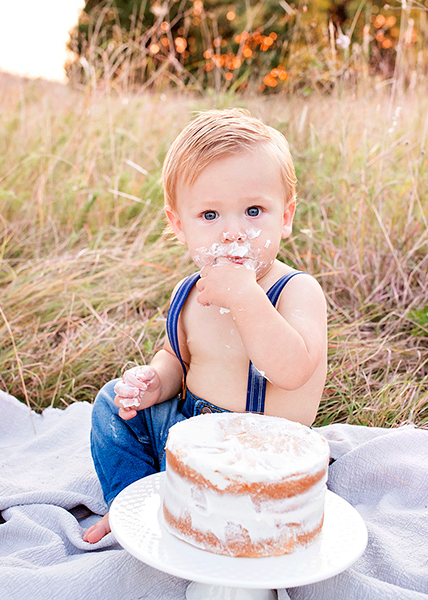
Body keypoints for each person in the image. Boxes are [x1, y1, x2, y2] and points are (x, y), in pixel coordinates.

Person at [82, 108, 328, 543]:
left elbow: (292, 371)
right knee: (111, 405)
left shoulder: (296, 291)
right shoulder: (191, 293)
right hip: (186, 438)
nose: (233, 232)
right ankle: (134, 504)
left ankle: (190, 512)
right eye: (210, 215)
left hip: (264, 461)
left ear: (286, 216)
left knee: (239, 528)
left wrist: (245, 297)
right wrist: (156, 381)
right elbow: (177, 358)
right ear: (180, 225)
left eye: (254, 211)